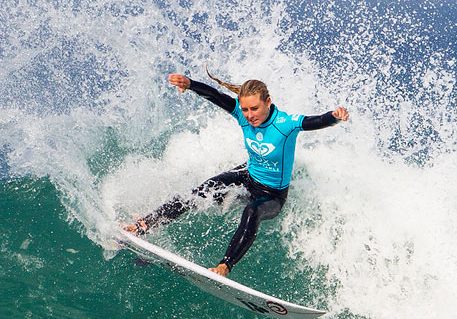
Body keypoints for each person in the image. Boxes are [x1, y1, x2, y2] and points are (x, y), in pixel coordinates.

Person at [124, 68, 349, 276]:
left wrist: (335, 117)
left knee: (252, 211)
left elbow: (317, 121)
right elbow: (215, 96)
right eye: (245, 109)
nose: (249, 115)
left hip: (272, 195)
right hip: (247, 176)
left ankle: (225, 265)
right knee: (203, 190)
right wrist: (190, 83)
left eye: (254, 108)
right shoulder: (242, 115)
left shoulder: (286, 123)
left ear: (268, 102)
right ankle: (144, 224)